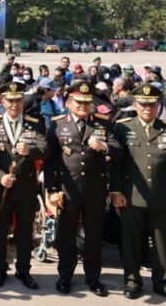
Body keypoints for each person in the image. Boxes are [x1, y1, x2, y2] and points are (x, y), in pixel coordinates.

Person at [110, 84, 166, 305]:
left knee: (161, 244)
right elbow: (117, 164)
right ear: (135, 104)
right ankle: (132, 280)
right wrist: (116, 191)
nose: (147, 108)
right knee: (131, 242)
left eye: (152, 104)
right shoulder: (122, 127)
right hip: (131, 195)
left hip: (162, 196)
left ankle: (164, 283)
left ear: (159, 106)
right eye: (143, 104)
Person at [44, 82, 120, 296]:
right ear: (69, 102)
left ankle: (93, 278)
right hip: (67, 191)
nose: (83, 106)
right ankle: (65, 276)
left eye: (87, 102)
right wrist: (51, 190)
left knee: (94, 236)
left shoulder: (103, 123)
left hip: (95, 191)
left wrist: (105, 146)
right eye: (78, 102)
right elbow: (50, 162)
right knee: (66, 235)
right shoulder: (58, 125)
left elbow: (119, 150)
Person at [0, 81, 48, 290]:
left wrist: (31, 151)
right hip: (2, 188)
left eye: (18, 100)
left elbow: (45, 149)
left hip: (26, 187)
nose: (15, 104)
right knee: (0, 230)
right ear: (2, 101)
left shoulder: (34, 123)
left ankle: (24, 270)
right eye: (10, 100)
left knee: (24, 231)